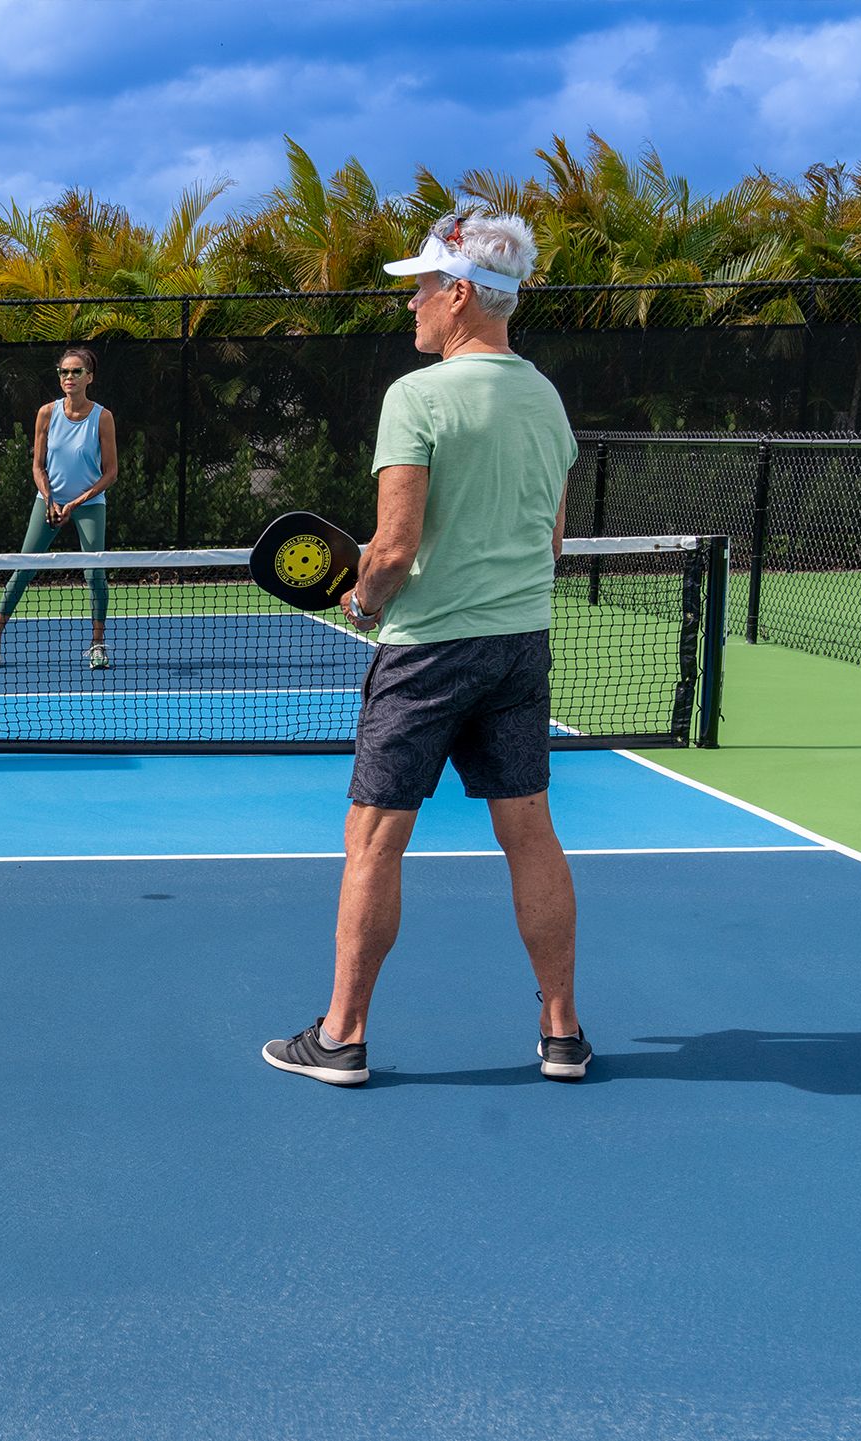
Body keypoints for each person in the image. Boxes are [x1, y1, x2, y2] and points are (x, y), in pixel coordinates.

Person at [261, 206, 591, 1088]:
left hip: (430, 653)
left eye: (419, 290)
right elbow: (551, 544)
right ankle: (562, 1032)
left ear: (460, 295)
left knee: (372, 840)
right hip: (520, 647)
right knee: (530, 833)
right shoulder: (547, 398)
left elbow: (395, 551)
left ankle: (341, 1036)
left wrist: (363, 602)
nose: (410, 305)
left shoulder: (416, 398)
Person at [0, 346, 117, 670]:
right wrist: (52, 500)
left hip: (89, 504)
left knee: (95, 573)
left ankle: (98, 644)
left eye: (76, 372)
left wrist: (75, 503)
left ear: (89, 377)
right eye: (63, 372)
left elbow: (110, 472)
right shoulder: (46, 413)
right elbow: (38, 466)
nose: (68, 377)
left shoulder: (103, 417)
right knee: (23, 569)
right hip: (48, 502)